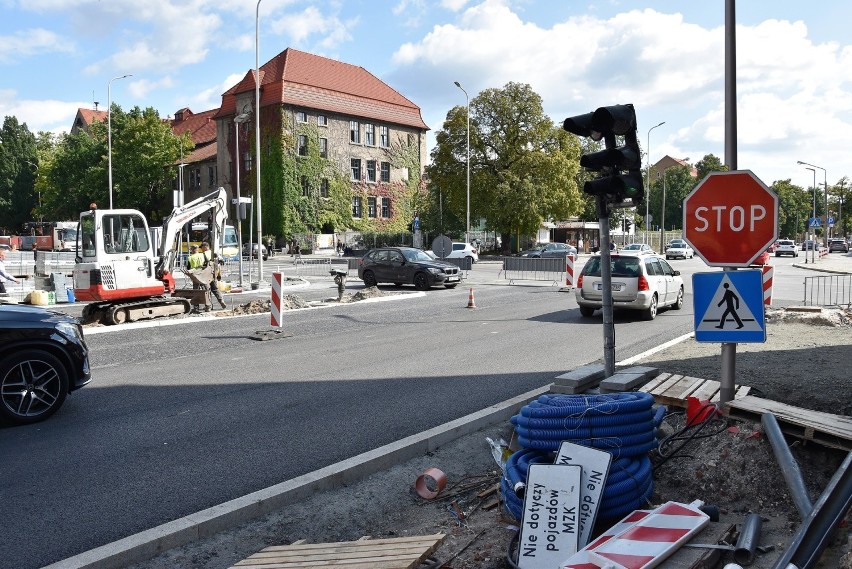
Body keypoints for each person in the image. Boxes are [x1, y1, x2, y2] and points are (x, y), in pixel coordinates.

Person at [200, 242, 227, 310]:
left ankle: (209, 306)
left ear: (205, 247)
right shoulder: (214, 253)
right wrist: (218, 274)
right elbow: (222, 262)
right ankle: (221, 301)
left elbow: (201, 265)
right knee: (215, 289)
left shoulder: (203, 254)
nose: (201, 249)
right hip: (214, 273)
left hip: (206, 275)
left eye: (202, 247)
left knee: (207, 290)